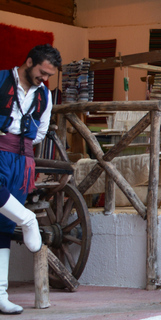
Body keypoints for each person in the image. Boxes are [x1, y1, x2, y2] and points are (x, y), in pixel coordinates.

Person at [0, 44, 62, 314]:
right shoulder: (1, 79)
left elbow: (42, 131)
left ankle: (0, 294)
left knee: (2, 225)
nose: (45, 78)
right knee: (16, 214)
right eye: (42, 72)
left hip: (22, 160)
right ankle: (27, 219)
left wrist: (18, 142)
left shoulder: (45, 95)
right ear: (28, 62)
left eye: (49, 75)